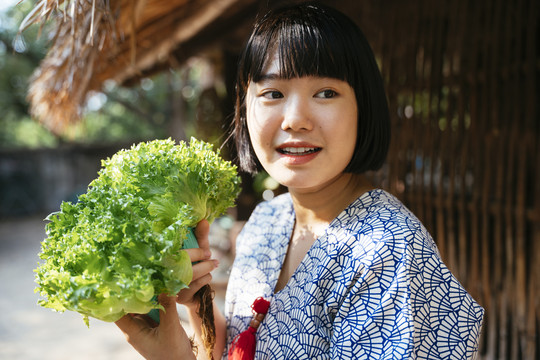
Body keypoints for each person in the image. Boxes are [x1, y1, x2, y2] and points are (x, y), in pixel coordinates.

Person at [115, 2, 484, 359]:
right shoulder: (267, 221)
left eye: (326, 93)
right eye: (272, 94)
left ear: (364, 108)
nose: (295, 119)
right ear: (244, 110)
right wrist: (199, 306)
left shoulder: (387, 252)